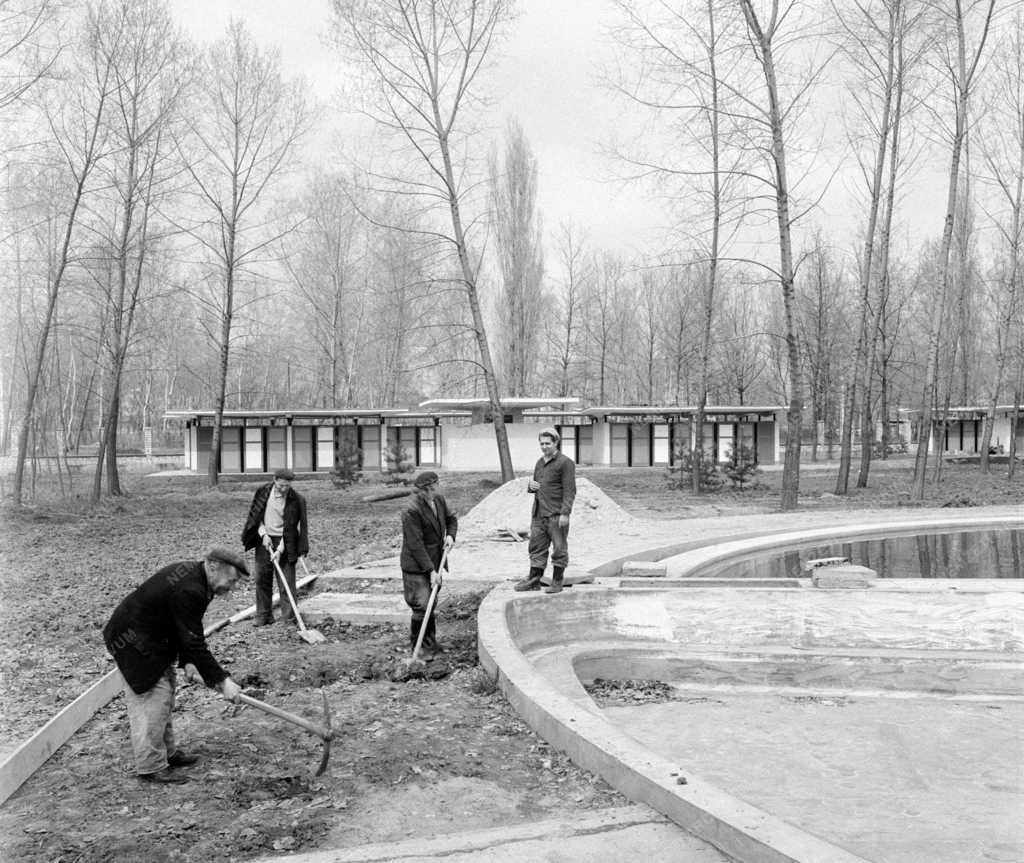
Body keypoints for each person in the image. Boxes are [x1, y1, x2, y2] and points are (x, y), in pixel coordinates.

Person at [103, 548, 246, 784]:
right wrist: (222, 681)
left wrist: (188, 661)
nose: (232, 588)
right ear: (212, 566)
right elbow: (193, 639)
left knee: (165, 692)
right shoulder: (191, 588)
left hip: (153, 637)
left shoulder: (198, 580)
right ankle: (151, 765)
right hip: (133, 641)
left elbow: (184, 625)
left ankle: (167, 753)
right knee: (152, 698)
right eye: (231, 580)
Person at [241, 467, 309, 626]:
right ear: (275, 480)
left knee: (287, 581)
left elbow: (291, 529)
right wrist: (263, 534)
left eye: (287, 486)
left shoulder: (297, 500)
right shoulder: (262, 492)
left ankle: (289, 618)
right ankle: (264, 615)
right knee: (262, 579)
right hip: (264, 540)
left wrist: (280, 550)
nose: (284, 489)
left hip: (286, 542)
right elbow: (255, 517)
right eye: (281, 486)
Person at [400, 470, 457, 656]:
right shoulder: (411, 510)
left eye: (435, 486)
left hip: (435, 560)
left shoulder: (439, 500)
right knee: (422, 605)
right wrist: (431, 570)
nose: (435, 489)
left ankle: (430, 643)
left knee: (431, 604)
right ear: (424, 489)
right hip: (416, 566)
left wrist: (450, 535)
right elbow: (415, 544)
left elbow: (452, 519)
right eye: (429, 488)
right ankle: (418, 648)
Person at [515, 427, 576, 594]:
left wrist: (565, 513)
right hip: (539, 514)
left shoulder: (565, 463)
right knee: (536, 547)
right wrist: (531, 487)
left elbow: (570, 490)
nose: (544, 447)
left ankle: (557, 581)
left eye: (548, 443)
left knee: (559, 549)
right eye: (541, 443)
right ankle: (534, 580)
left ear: (556, 442)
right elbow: (536, 486)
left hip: (556, 515)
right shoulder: (539, 463)